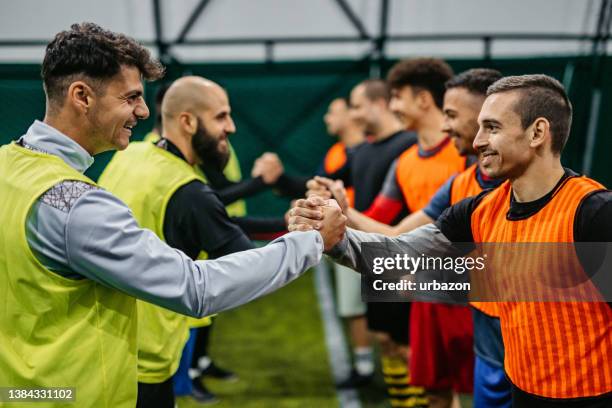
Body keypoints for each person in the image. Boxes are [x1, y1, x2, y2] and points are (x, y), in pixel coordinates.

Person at [0, 22, 345, 408]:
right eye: (130, 97)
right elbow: (197, 289)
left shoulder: (6, 165)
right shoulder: (79, 204)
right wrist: (311, 242)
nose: (143, 111)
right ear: (82, 96)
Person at [290, 74, 612, 408]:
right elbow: (398, 255)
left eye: (492, 127)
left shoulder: (593, 213)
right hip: (522, 391)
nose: (478, 141)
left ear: (538, 132)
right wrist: (332, 235)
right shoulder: (476, 210)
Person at [315, 68, 509, 408]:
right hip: (430, 285)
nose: (392, 106)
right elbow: (396, 233)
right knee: (427, 380)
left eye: (397, 97)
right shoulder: (446, 178)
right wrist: (341, 217)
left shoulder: (496, 176)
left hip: (478, 303)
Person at [320, 97, 375, 386]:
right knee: (354, 306)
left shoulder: (372, 150)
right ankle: (366, 364)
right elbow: (326, 181)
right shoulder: (336, 153)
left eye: (333, 110)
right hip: (346, 234)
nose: (327, 117)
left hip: (373, 234)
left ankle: (367, 366)